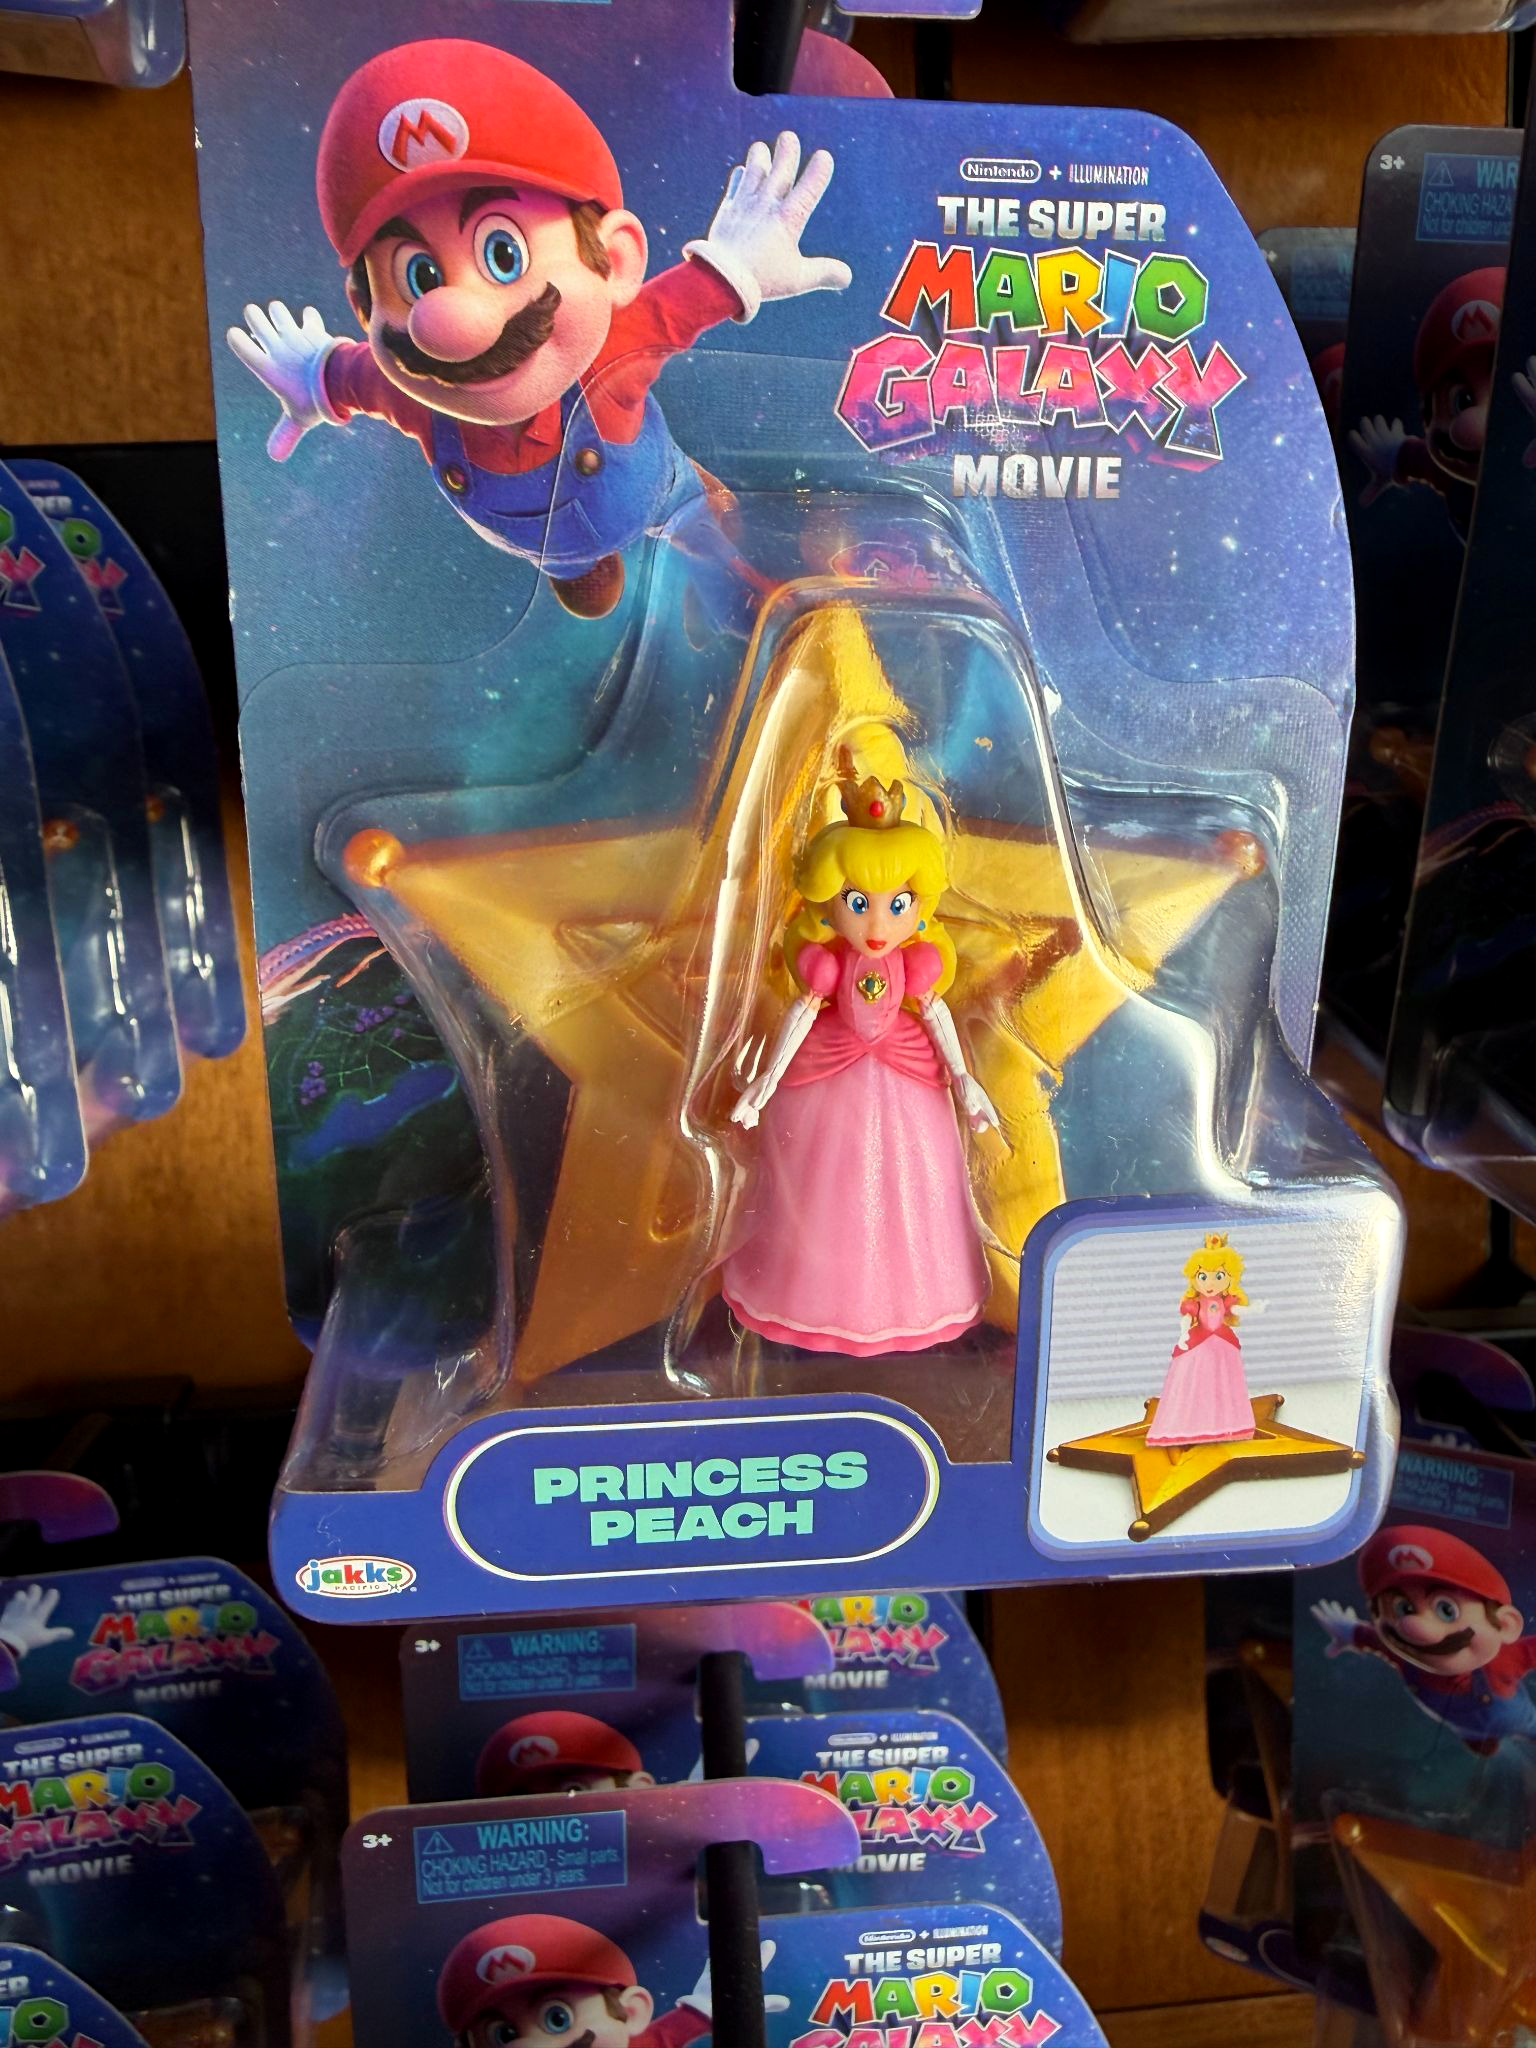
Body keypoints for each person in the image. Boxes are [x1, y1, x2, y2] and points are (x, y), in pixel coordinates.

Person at [723, 754, 999, 1356]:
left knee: (920, 1178)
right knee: (820, 1182)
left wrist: (964, 1080)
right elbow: (802, 1014)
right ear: (828, 903)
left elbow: (936, 1013)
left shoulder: (916, 967)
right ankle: (808, 1298)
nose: (876, 924)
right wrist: (765, 1082)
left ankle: (919, 1299)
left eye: (897, 905)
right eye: (857, 901)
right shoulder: (825, 968)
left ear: (919, 908)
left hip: (909, 1072)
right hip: (825, 1069)